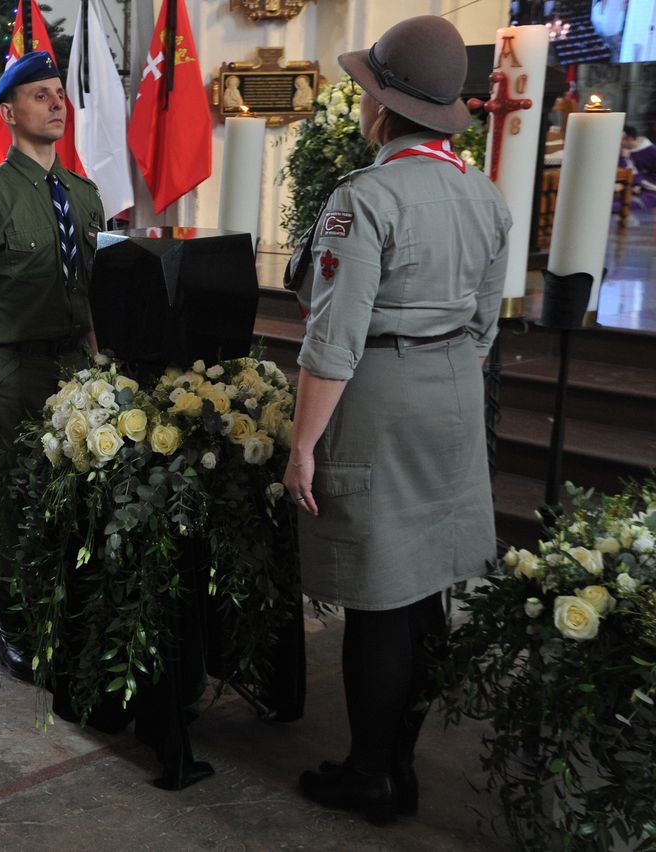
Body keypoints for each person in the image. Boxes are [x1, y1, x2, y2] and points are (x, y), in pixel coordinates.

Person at [282, 16, 512, 824]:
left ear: (382, 110)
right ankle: (402, 766)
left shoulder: (365, 197)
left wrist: (303, 446)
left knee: (379, 596)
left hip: (376, 392)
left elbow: (332, 336)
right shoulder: (485, 195)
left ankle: (369, 773)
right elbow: (487, 324)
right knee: (425, 588)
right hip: (452, 391)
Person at [0, 52, 105, 681]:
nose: (57, 104)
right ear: (10, 114)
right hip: (11, 375)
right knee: (7, 499)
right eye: (41, 96)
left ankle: (60, 606)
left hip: (72, 372)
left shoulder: (84, 197)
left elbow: (92, 297)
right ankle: (14, 623)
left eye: (60, 93)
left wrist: (99, 371)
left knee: (66, 497)